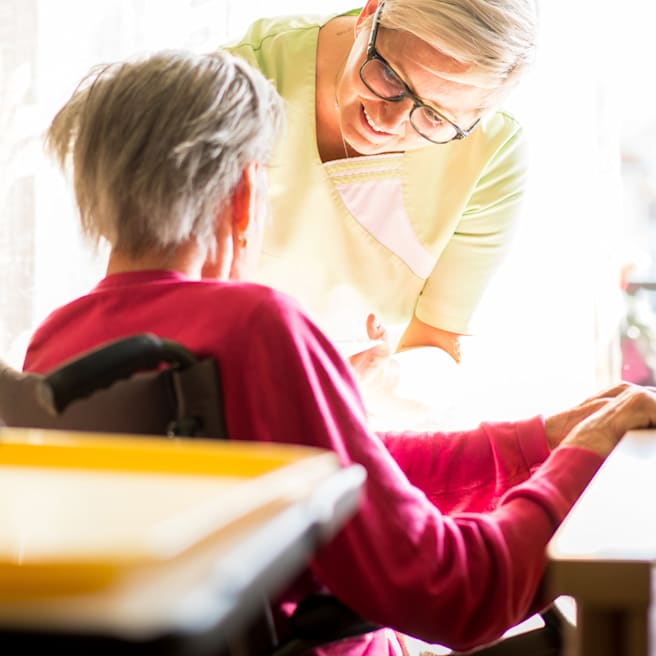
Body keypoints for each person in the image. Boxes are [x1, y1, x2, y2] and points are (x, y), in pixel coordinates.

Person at [23, 48, 656, 656]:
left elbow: (348, 467)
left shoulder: (58, 345)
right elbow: (457, 592)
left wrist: (541, 441)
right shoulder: (253, 325)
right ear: (245, 194)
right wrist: (585, 456)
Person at [224, 0, 538, 404]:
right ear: (369, 14)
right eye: (391, 76)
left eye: (434, 118)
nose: (388, 124)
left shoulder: (488, 153)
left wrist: (385, 377)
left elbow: (439, 340)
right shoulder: (246, 77)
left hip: (356, 415)